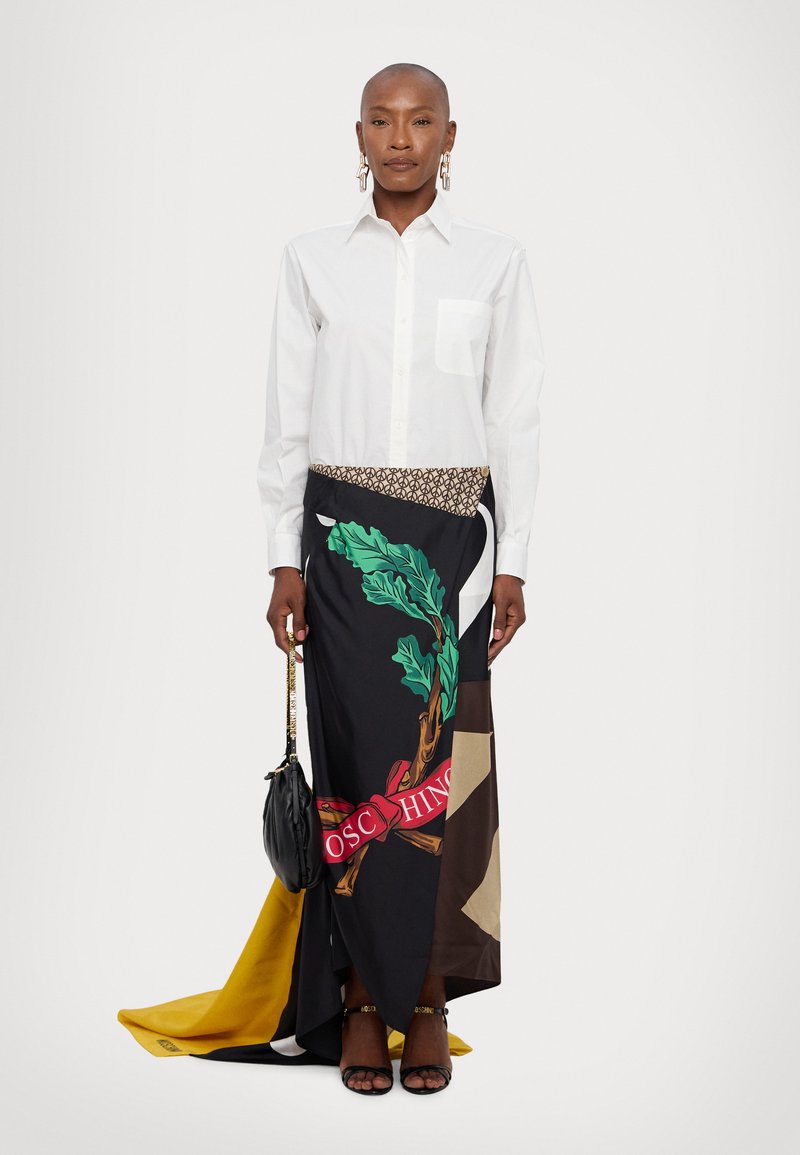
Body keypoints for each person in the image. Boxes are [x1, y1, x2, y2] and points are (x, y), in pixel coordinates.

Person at [116, 60, 545, 1099]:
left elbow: (515, 418)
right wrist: (282, 557)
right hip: (343, 540)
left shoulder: (494, 262)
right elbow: (287, 417)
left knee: (442, 765)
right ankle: (355, 998)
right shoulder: (312, 261)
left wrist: (516, 564)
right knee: (355, 762)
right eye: (380, 121)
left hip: (454, 540)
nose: (400, 138)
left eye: (420, 121)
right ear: (357, 137)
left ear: (450, 137)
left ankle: (428, 997)